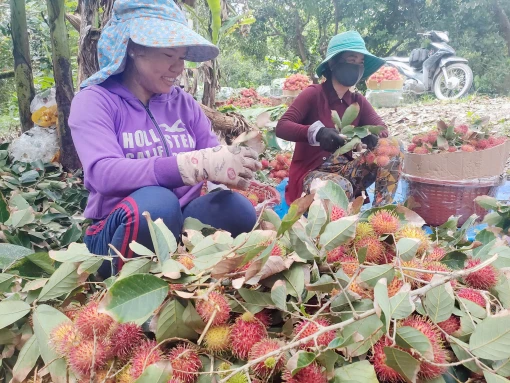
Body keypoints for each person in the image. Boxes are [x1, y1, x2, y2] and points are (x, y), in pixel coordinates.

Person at [69, 0, 260, 277]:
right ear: (133, 49)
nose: (178, 67)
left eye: (182, 57)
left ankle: (184, 270)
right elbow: (103, 173)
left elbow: (210, 154)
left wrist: (229, 165)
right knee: (157, 205)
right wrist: (188, 165)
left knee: (236, 209)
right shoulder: (95, 101)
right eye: (169, 55)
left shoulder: (183, 103)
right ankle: (128, 290)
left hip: (182, 223)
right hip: (119, 228)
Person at [276, 31, 403, 206]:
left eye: (360, 63)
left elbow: (382, 129)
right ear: (333, 63)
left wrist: (367, 136)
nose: (357, 67)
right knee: (341, 188)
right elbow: (282, 126)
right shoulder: (314, 94)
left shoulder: (358, 101)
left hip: (345, 170)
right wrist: (317, 133)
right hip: (312, 174)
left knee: (393, 146)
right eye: (351, 60)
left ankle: (380, 212)